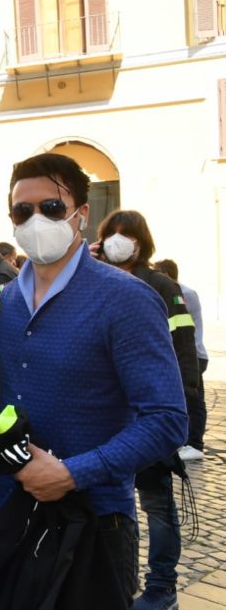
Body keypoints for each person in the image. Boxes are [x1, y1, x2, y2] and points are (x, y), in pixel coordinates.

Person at [0, 153, 187, 608]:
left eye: (52, 208)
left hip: (99, 523)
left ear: (82, 214)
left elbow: (166, 419)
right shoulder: (5, 300)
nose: (36, 219)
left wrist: (72, 474)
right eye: (23, 211)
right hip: (14, 514)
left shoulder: (126, 299)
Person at [93, 210, 200, 610]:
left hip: (150, 419)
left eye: (127, 235)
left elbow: (184, 356)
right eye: (111, 234)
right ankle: (123, 577)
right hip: (108, 421)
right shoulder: (95, 282)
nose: (119, 240)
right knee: (116, 506)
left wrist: (186, 421)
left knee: (156, 504)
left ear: (141, 242)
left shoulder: (162, 286)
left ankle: (162, 586)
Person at [155, 258, 209, 462]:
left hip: (193, 354)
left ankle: (195, 443)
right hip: (183, 353)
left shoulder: (184, 294)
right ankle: (185, 440)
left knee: (194, 399)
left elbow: (182, 329)